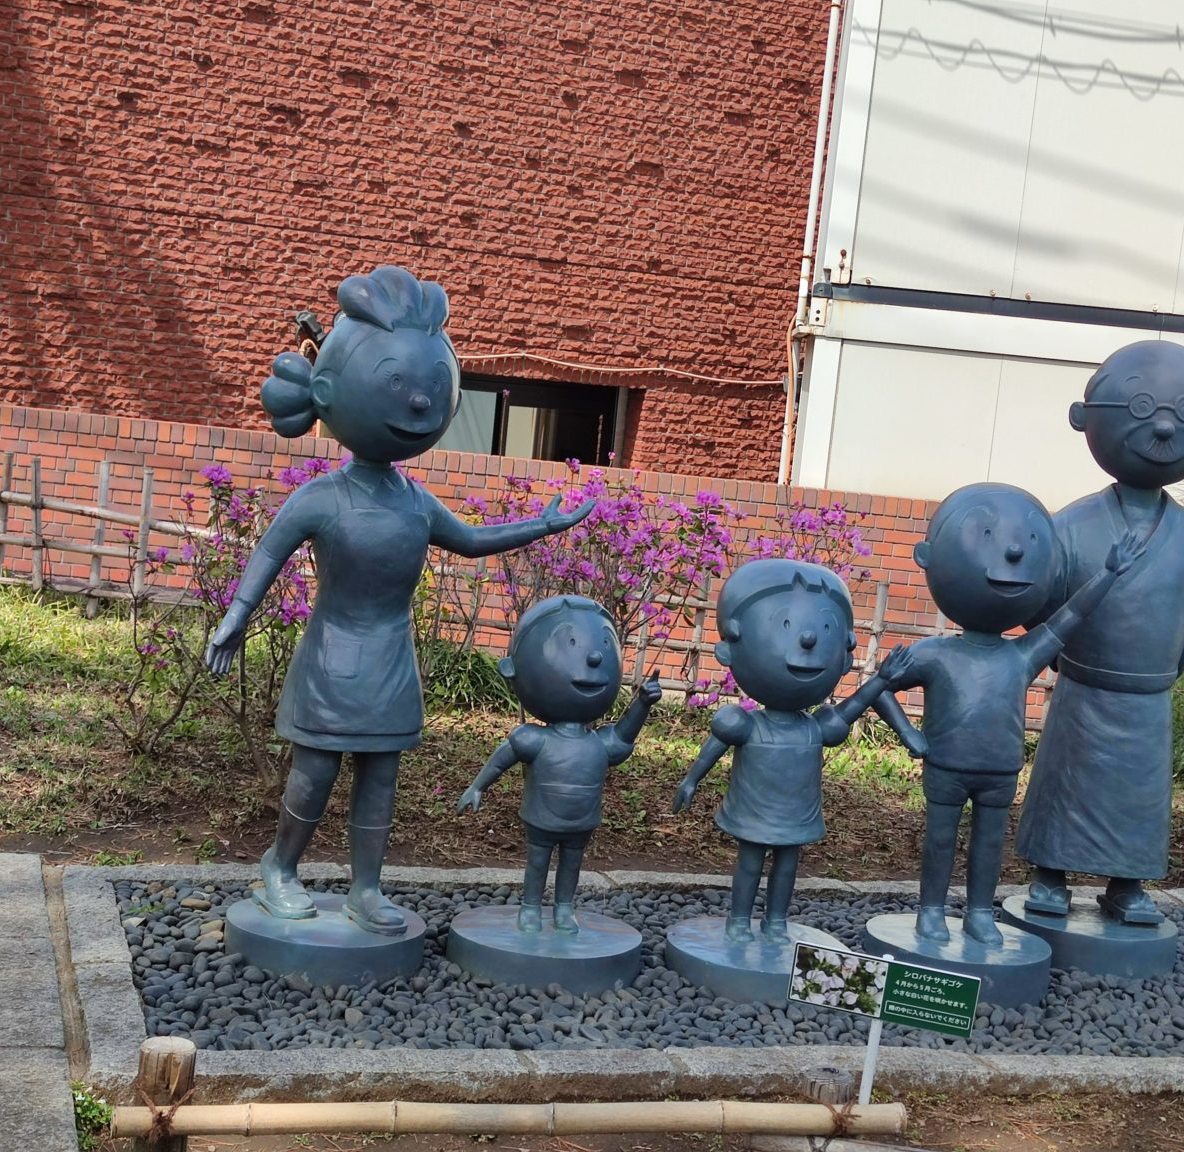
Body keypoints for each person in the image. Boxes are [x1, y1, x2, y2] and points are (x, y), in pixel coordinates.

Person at [204, 266, 593, 936]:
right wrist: (235, 617)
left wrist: (543, 523)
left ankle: (367, 888)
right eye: (395, 384)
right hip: (331, 659)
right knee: (314, 774)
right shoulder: (321, 497)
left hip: (391, 660)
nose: (418, 402)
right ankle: (280, 867)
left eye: (431, 387)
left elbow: (471, 540)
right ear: (327, 394)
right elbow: (268, 554)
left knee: (381, 777)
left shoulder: (417, 501)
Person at [1017, 340, 1184, 927]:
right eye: (1142, 408)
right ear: (1086, 419)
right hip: (1082, 689)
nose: (1164, 426)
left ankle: (1127, 882)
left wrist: (1169, 659)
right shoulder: (1070, 526)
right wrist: (1057, 646)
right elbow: (1035, 596)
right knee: (1064, 782)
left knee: (1138, 797)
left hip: (1147, 697)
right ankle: (1049, 874)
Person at [869, 482, 1141, 946]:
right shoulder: (934, 654)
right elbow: (879, 689)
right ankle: (931, 910)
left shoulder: (1022, 654)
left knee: (990, 843)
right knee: (939, 839)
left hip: (999, 768)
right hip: (946, 765)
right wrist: (909, 734)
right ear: (929, 559)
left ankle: (980, 912)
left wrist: (1108, 574)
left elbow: (1069, 617)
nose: (1013, 552)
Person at [671, 559, 892, 943]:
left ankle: (776, 921)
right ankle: (739, 919)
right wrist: (691, 781)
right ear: (730, 647)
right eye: (785, 625)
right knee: (750, 862)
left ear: (844, 655)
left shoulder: (814, 727)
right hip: (754, 810)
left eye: (825, 630)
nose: (807, 639)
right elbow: (715, 746)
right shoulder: (743, 723)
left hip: (796, 813)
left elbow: (852, 708)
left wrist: (881, 680)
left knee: (787, 865)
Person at [458, 595, 663, 933]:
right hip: (542, 817)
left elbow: (623, 737)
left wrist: (641, 705)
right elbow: (502, 759)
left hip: (582, 820)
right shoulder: (532, 739)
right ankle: (530, 906)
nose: (594, 657)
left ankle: (564, 907)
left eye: (604, 646)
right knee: (538, 860)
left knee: (572, 863)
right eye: (570, 643)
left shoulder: (599, 742)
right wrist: (477, 787)